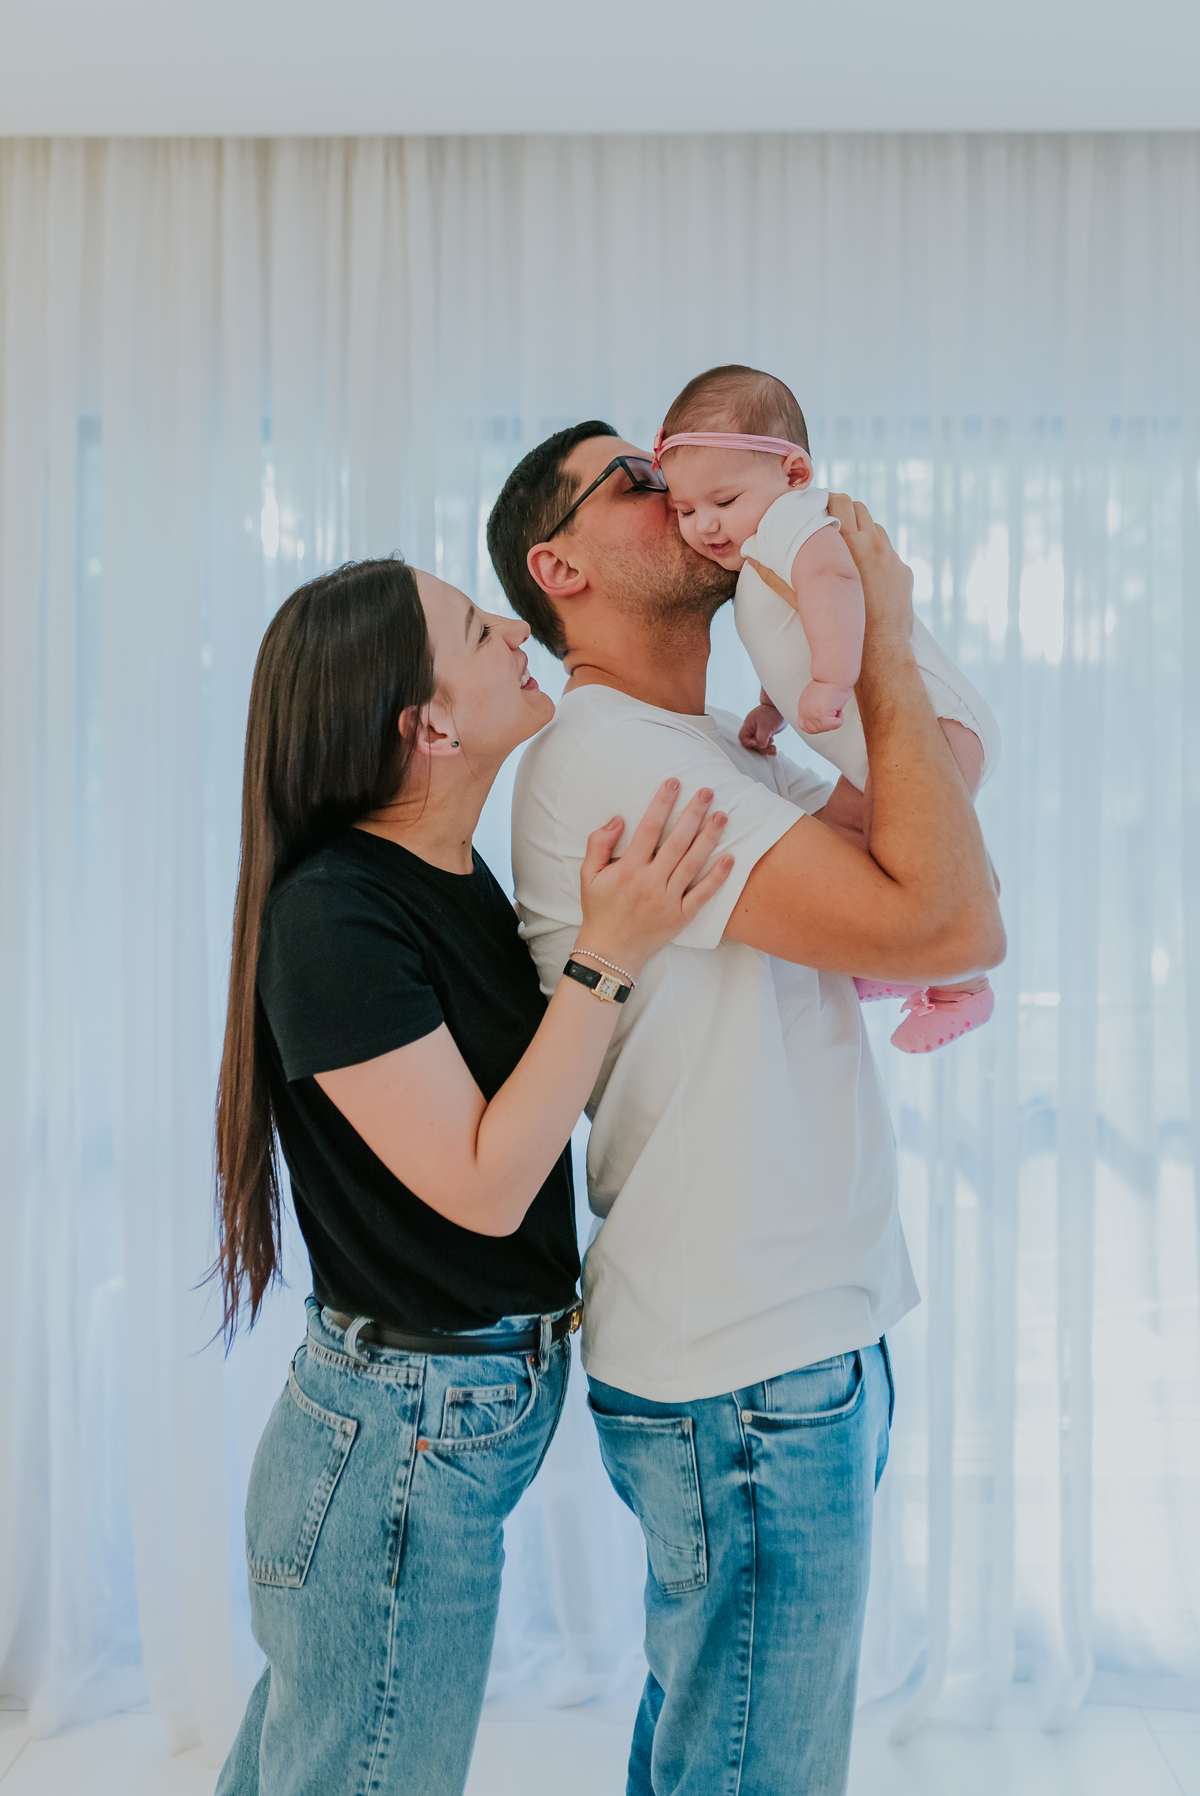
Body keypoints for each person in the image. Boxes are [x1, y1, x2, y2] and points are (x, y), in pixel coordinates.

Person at [486, 424, 1004, 1796]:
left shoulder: (713, 742)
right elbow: (950, 919)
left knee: (717, 1754)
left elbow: (937, 827)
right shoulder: (611, 756)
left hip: (794, 1344)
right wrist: (877, 644)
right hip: (746, 1367)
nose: (689, 497)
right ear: (559, 568)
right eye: (639, 483)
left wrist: (852, 636)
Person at [212, 555, 732, 1796]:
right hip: (397, 1439)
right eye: (472, 626)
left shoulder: (446, 873)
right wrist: (608, 955)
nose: (512, 626)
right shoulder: (334, 915)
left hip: (433, 1424)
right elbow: (487, 1184)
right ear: (428, 726)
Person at [655, 362, 1001, 1053]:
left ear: (793, 473)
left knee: (930, 854)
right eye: (685, 511)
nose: (704, 525)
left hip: (932, 724)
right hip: (884, 742)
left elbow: (835, 584)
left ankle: (961, 983)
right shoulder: (761, 549)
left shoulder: (792, 522)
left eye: (723, 499)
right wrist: (773, 708)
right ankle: (890, 957)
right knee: (844, 833)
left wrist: (832, 683)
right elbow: (790, 634)